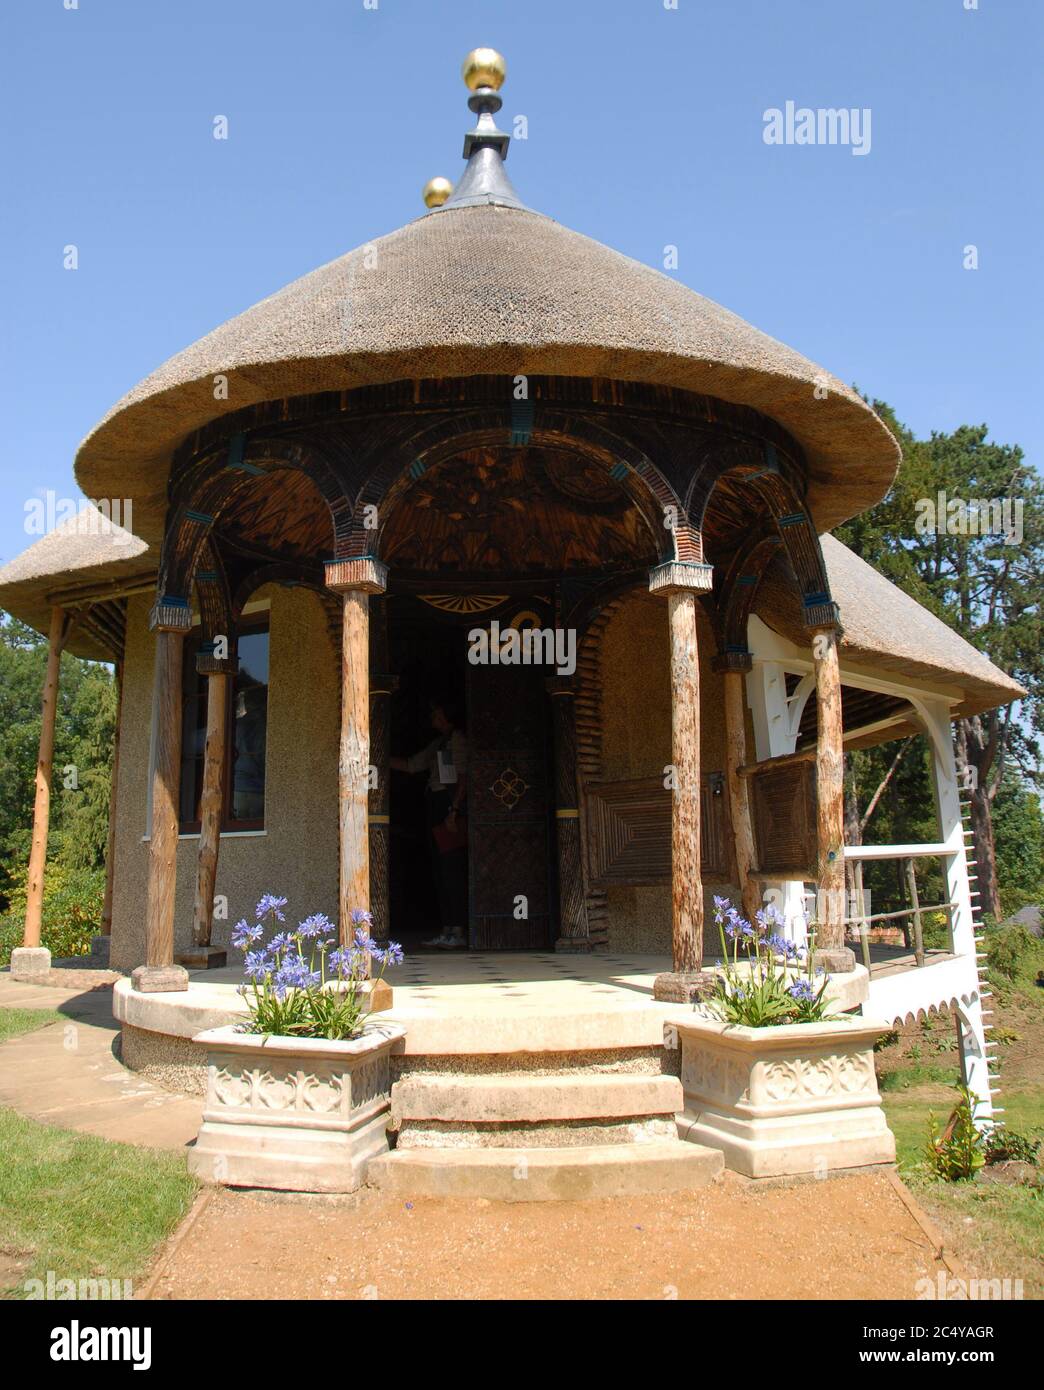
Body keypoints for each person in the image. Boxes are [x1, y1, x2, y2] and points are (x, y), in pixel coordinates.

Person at [391, 699, 468, 949]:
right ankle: (447, 928)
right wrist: (377, 754)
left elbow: (464, 776)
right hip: (435, 804)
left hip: (448, 806)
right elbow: (413, 765)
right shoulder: (438, 743)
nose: (432, 716)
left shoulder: (457, 739)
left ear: (446, 715)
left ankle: (457, 930)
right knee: (440, 869)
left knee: (451, 868)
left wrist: (454, 810)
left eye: (436, 712)